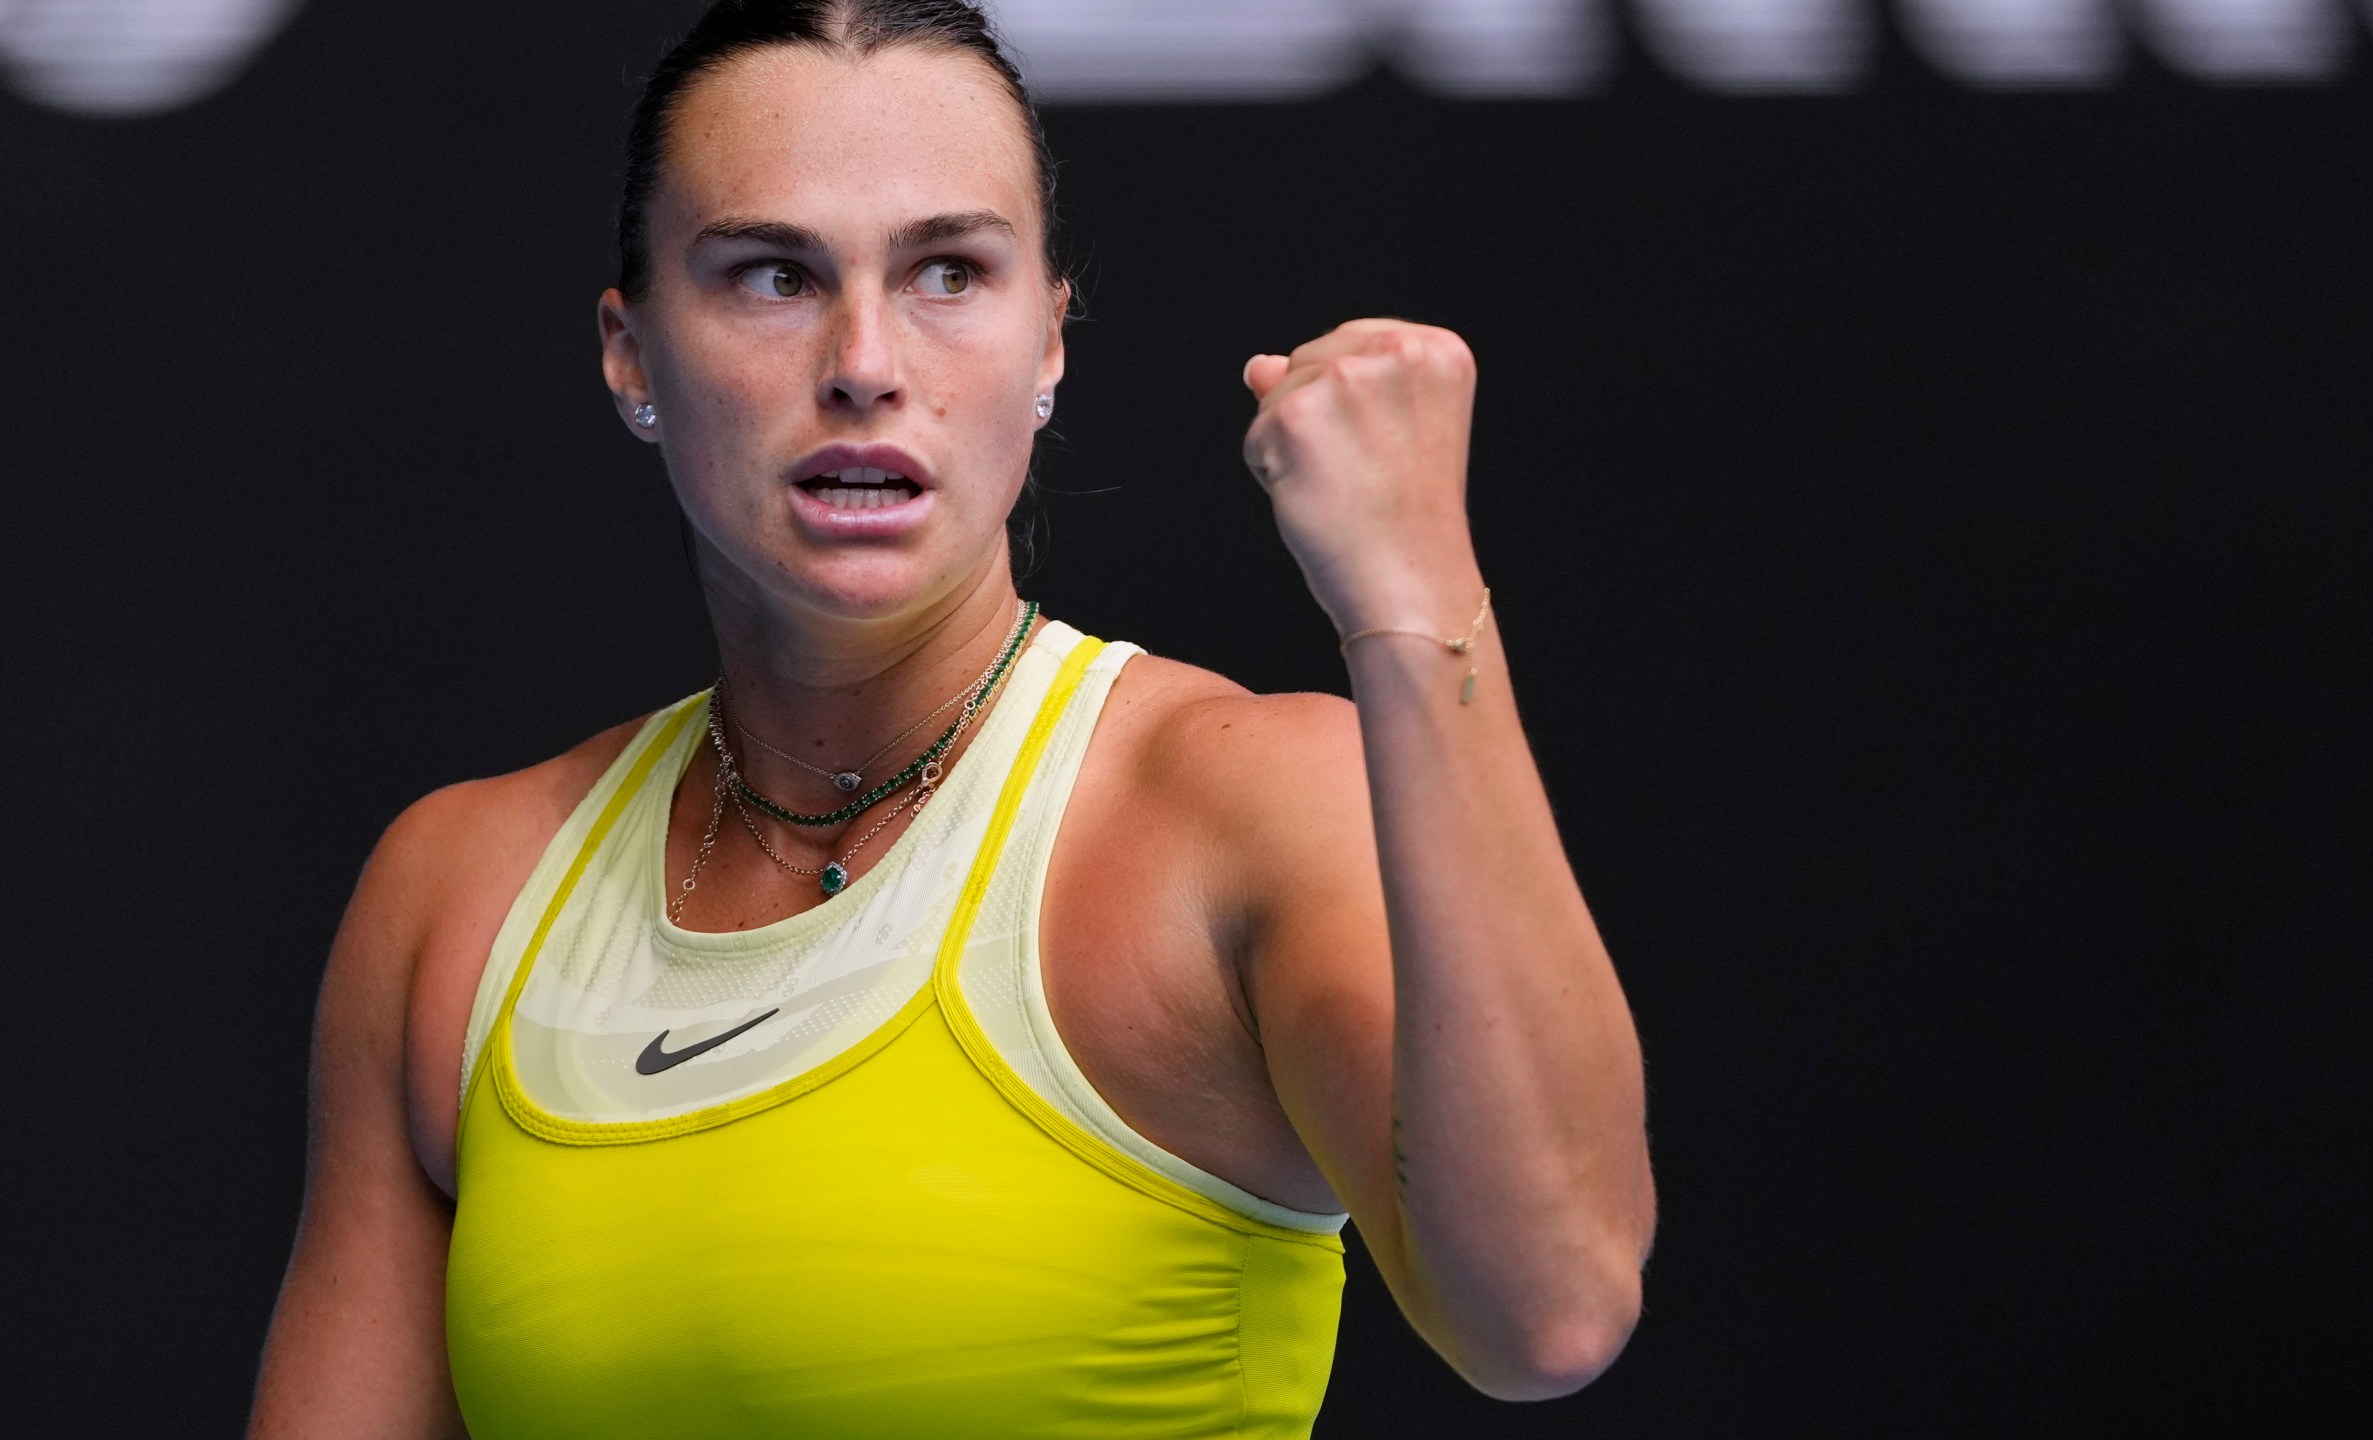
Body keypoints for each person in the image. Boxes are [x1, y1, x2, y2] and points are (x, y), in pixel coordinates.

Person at [247, 3, 1652, 1434]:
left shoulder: (1247, 808)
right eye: (774, 276)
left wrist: (1414, 596)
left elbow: (1550, 1308)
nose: (864, 360)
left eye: (948, 272)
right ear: (631, 351)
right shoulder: (456, 901)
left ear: (1049, 338)